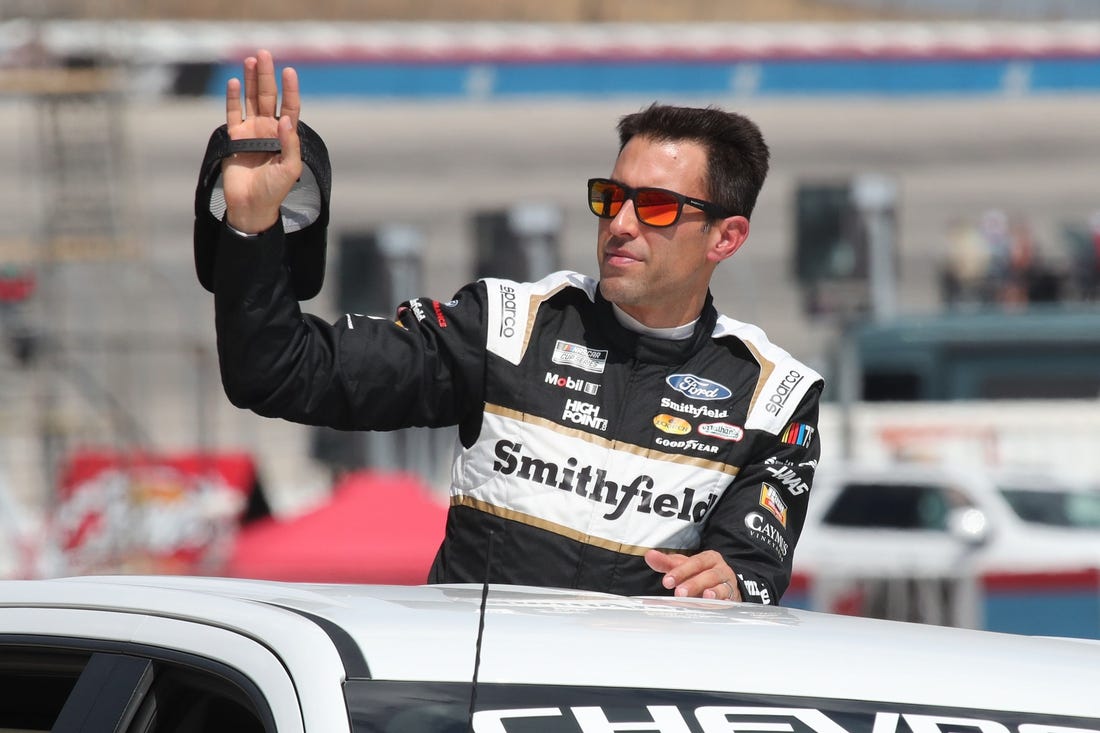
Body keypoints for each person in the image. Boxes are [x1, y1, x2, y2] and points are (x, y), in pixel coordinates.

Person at [209, 50, 823, 604]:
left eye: (656, 207)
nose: (622, 224)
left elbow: (750, 575)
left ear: (727, 237)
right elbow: (278, 371)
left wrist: (732, 587)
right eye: (612, 198)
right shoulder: (506, 325)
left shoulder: (776, 398)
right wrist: (253, 228)